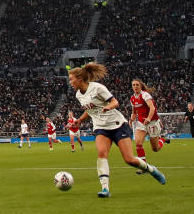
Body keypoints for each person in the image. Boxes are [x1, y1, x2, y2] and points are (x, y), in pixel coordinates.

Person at [69, 63, 166, 198]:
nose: (70, 82)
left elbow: (115, 102)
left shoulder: (97, 88)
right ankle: (105, 188)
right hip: (100, 127)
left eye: (71, 79)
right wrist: (79, 120)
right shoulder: (78, 95)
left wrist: (108, 107)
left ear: (79, 79)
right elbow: (89, 110)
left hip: (117, 124)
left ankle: (151, 170)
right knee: (102, 153)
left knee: (129, 159)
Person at [130, 79, 166, 170]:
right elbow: (134, 112)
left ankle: (162, 140)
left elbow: (152, 108)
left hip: (152, 123)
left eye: (137, 85)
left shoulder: (145, 95)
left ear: (140, 86)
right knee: (138, 143)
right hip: (141, 123)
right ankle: (143, 167)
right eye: (133, 85)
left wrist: (149, 118)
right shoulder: (132, 98)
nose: (135, 86)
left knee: (155, 149)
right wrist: (131, 119)